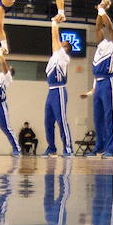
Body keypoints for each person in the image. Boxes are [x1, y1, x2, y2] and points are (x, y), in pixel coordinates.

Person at [81, 10, 113, 156]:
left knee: (109, 115)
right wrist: (99, 13)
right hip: (99, 83)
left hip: (108, 81)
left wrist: (103, 11)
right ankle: (100, 146)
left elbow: (109, 29)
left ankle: (112, 148)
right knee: (97, 117)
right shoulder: (102, 45)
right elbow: (98, 28)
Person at [43, 17, 74, 156]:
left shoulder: (62, 55)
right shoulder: (56, 55)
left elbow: (54, 37)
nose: (59, 43)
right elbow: (54, 39)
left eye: (63, 43)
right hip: (51, 90)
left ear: (65, 48)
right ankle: (51, 148)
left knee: (61, 119)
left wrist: (54, 22)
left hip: (59, 90)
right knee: (48, 121)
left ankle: (68, 148)